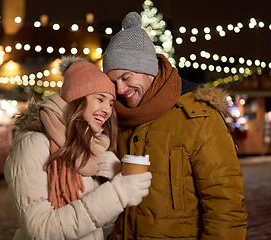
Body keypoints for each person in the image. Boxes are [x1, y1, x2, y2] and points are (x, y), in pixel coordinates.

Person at [102, 12, 248, 239]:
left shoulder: (199, 117)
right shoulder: (113, 118)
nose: (120, 89)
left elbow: (225, 205)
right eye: (113, 82)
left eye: (126, 77)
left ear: (148, 69)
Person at [4, 56, 152, 240]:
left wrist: (113, 180)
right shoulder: (34, 144)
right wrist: (117, 194)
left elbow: (100, 228)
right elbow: (40, 230)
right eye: (100, 99)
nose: (107, 110)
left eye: (111, 103)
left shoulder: (91, 148)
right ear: (78, 99)